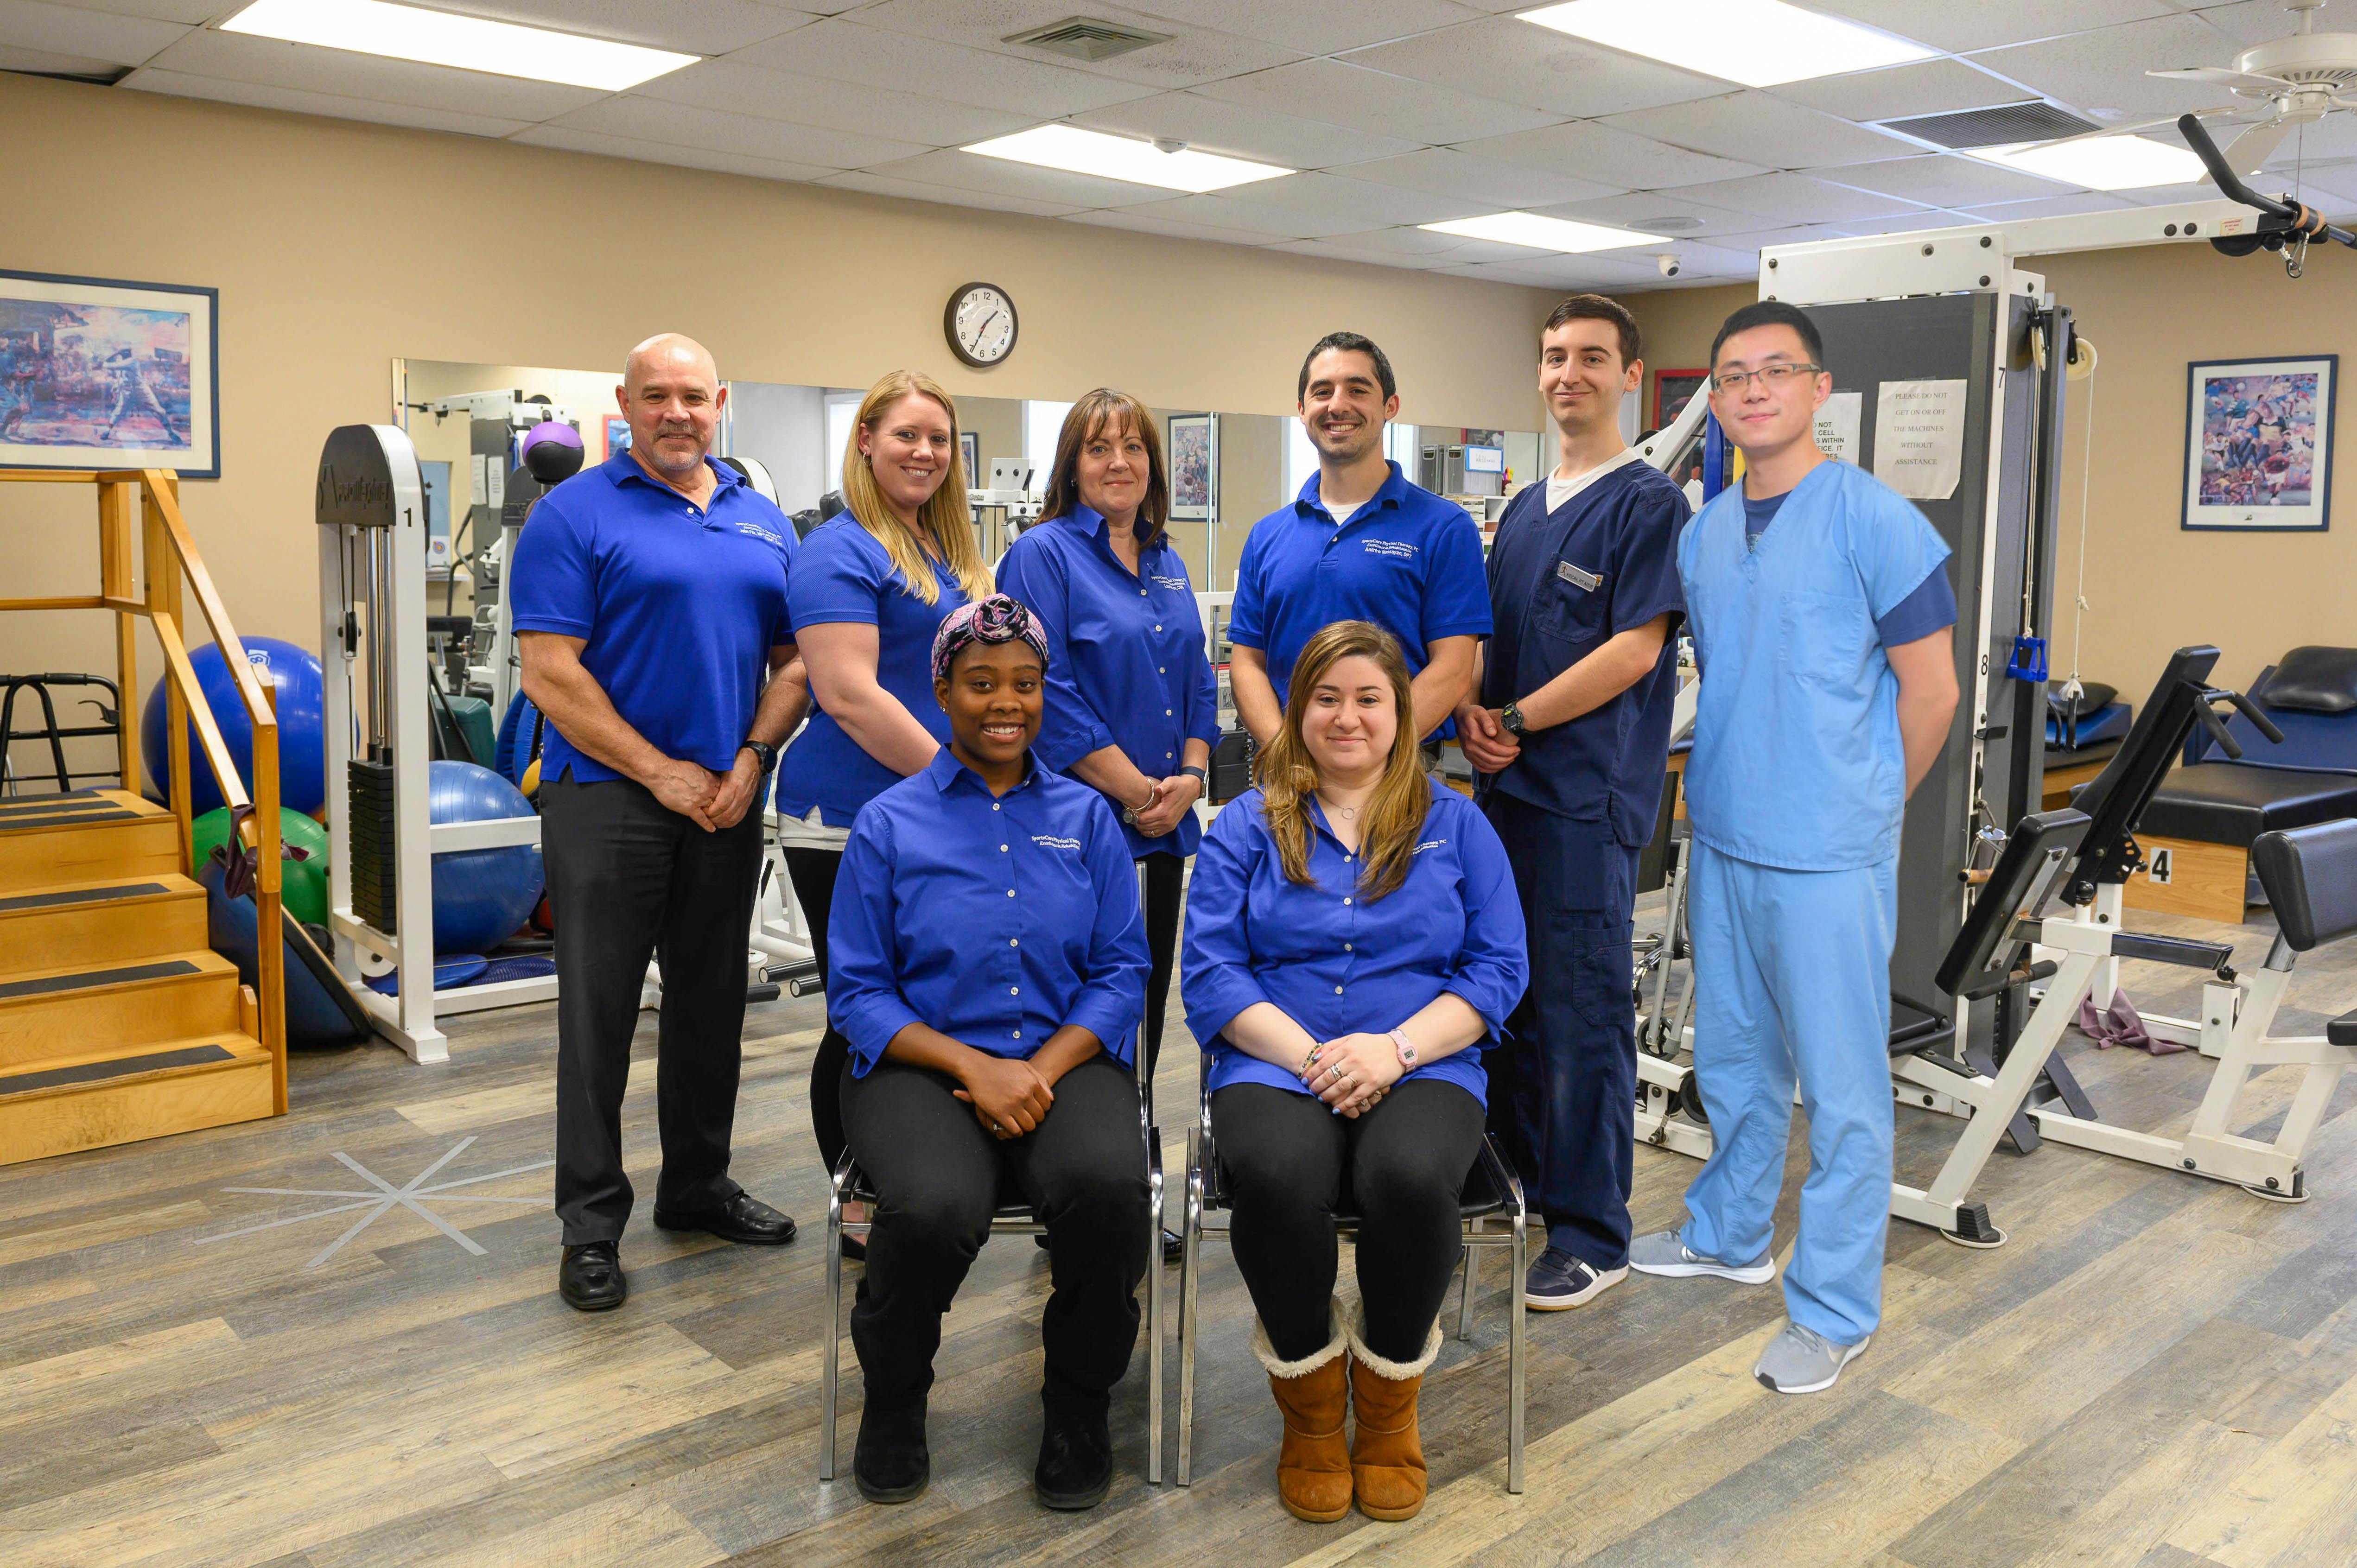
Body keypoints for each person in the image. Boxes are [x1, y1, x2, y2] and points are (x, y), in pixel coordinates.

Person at [1631, 299, 1960, 1395]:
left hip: (1827, 851)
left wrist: (1864, 801)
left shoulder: (1877, 521)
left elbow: (1931, 691)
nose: (1753, 390)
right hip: (1724, 831)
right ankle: (1727, 1233)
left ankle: (1832, 1309)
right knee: (1732, 1061)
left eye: (1775, 370)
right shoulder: (1703, 532)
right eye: (1732, 376)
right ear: (1716, 402)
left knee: (1842, 1088)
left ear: (1819, 390)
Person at [1182, 621, 1526, 1524]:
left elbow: (1499, 970)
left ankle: (1385, 1407)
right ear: (1298, 710)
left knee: (1410, 1174)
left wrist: (1394, 1049)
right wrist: (1311, 1057)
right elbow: (1211, 972)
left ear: (1401, 712)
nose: (1347, 717)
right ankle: (1308, 1412)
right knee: (1275, 1170)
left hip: (1424, 1059)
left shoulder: (1458, 822)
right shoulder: (1247, 824)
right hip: (1275, 1060)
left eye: (1369, 698)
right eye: (1327, 698)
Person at [829, 595, 1151, 1511]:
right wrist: (975, 1068)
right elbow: (857, 991)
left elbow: (1122, 969)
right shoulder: (888, 823)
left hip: (1063, 1058)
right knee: (934, 1204)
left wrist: (1037, 1070)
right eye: (980, 683)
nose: (1005, 701)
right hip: (920, 1065)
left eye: (1024, 682)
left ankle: (1078, 1401)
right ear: (942, 691)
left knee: (1109, 1188)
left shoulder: (1087, 817)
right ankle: (895, 1397)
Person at [514, 333, 809, 1313]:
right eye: (656, 396)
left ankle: (696, 1184)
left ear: (719, 401)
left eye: (692, 395)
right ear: (625, 403)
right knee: (599, 1018)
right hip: (607, 798)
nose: (675, 412)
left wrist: (751, 758)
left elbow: (796, 662)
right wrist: (660, 772)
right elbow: (550, 672)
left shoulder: (763, 519)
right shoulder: (572, 513)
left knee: (710, 1005)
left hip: (726, 797)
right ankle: (591, 1225)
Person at [1453, 295, 1688, 1312]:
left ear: (1629, 374)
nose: (1568, 374)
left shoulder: (1647, 505)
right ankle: (1522, 1189)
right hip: (1502, 796)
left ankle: (1594, 1232)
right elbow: (1489, 638)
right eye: (1554, 356)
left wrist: (1512, 716)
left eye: (1592, 357)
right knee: (1508, 1004)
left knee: (1584, 1015)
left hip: (1583, 804)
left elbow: (1634, 649)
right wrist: (1470, 713)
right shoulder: (1522, 508)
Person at [774, 370, 990, 1210]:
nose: (924, 452)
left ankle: (911, 1174)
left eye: (939, 439)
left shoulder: (944, 551)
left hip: (931, 809)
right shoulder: (839, 549)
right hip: (848, 815)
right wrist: (962, 781)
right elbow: (849, 695)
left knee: (920, 1006)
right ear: (865, 440)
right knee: (862, 1012)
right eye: (906, 434)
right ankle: (858, 1202)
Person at [995, 389, 1219, 1088]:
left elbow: (1198, 680)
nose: (1118, 462)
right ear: (1072, 465)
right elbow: (1044, 691)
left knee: (1143, 999)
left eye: (1133, 447)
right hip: (1077, 829)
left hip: (1164, 825)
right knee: (1080, 1007)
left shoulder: (1167, 560)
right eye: (1098, 448)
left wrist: (1190, 779)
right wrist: (1139, 793)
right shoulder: (1041, 554)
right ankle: (1087, 1135)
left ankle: (1137, 1132)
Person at [1226, 333, 1491, 751]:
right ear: (1302, 410)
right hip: (1287, 767)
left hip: (1401, 766)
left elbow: (1452, 669)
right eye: (1322, 392)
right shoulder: (1267, 535)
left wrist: (1367, 757)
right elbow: (1247, 664)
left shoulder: (1444, 528)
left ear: (1390, 406)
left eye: (1357, 389)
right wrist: (1284, 754)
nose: (1337, 405)